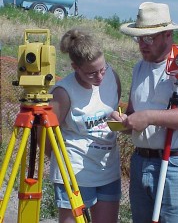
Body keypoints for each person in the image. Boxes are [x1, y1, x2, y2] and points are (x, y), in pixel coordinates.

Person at [111, 2, 178, 223]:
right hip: (141, 162)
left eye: (148, 38)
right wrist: (124, 121)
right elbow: (133, 113)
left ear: (167, 35)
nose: (142, 44)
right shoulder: (140, 67)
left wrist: (148, 117)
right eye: (138, 38)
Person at [46, 28, 121, 223]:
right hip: (75, 172)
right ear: (75, 67)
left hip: (108, 170)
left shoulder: (112, 79)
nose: (99, 78)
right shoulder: (63, 92)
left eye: (102, 69)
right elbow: (46, 138)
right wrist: (62, 164)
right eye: (91, 73)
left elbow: (113, 109)